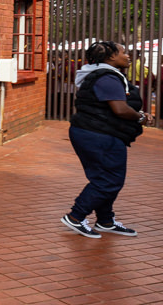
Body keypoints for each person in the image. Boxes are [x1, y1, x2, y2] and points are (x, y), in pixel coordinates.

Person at [61, 41, 155, 238]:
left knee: (104, 177)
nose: (128, 55)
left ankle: (106, 221)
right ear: (111, 57)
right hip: (99, 135)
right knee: (109, 180)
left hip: (94, 132)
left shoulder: (100, 74)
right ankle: (76, 217)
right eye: (123, 52)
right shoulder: (107, 78)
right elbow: (119, 109)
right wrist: (141, 117)